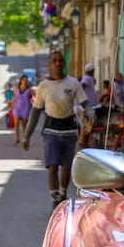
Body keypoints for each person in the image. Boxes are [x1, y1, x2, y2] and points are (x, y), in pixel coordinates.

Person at [24, 50, 88, 204]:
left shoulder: (73, 83)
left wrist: (91, 115)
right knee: (52, 166)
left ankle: (63, 194)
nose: (58, 63)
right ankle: (55, 199)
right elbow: (35, 111)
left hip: (69, 130)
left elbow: (85, 103)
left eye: (60, 60)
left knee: (66, 167)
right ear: (49, 65)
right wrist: (27, 135)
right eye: (54, 61)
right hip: (50, 131)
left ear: (64, 64)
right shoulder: (43, 86)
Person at [11, 73, 33, 145]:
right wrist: (11, 106)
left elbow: (35, 96)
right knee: (16, 123)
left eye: (26, 80)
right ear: (21, 80)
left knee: (24, 125)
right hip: (17, 108)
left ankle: (25, 139)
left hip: (26, 108)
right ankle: (17, 139)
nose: (25, 81)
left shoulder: (29, 89)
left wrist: (34, 102)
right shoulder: (17, 88)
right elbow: (14, 98)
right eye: (24, 80)